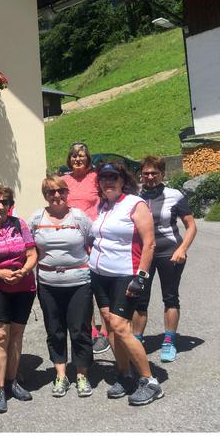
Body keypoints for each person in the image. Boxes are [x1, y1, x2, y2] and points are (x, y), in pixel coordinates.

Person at [89, 162, 163, 405]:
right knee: (110, 326)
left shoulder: (135, 203)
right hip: (100, 276)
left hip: (126, 274)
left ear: (123, 180)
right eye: (103, 178)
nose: (108, 182)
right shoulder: (103, 206)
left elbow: (149, 243)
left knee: (121, 327)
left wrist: (141, 277)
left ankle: (149, 381)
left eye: (113, 177)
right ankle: (125, 374)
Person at [29, 176, 94, 398]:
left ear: (67, 193)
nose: (56, 196)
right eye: (50, 192)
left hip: (78, 282)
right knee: (54, 330)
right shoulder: (36, 218)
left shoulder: (79, 217)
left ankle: (82, 375)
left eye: (60, 191)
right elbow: (29, 248)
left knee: (79, 330)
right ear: (45, 195)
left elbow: (93, 242)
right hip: (48, 283)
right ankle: (60, 374)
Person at [132, 156, 197, 362]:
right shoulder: (133, 196)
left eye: (154, 173)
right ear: (140, 175)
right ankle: (136, 340)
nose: (150, 177)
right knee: (140, 299)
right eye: (146, 173)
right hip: (144, 256)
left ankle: (169, 341)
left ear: (162, 174)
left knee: (170, 297)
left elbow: (191, 226)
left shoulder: (174, 195)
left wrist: (183, 249)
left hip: (170, 254)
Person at [0, 186, 37, 412]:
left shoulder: (20, 224)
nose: (0, 206)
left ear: (10, 204)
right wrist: (0, 273)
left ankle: (13, 382)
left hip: (24, 286)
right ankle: (0, 388)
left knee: (16, 335)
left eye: (4, 202)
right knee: (1, 335)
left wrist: (23, 270)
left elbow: (32, 254)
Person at [61, 142, 109, 354]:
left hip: (97, 237)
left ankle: (106, 330)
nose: (77, 159)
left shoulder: (97, 177)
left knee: (101, 283)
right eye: (73, 156)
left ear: (88, 158)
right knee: (84, 284)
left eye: (81, 156)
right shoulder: (64, 180)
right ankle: (91, 329)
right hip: (74, 237)